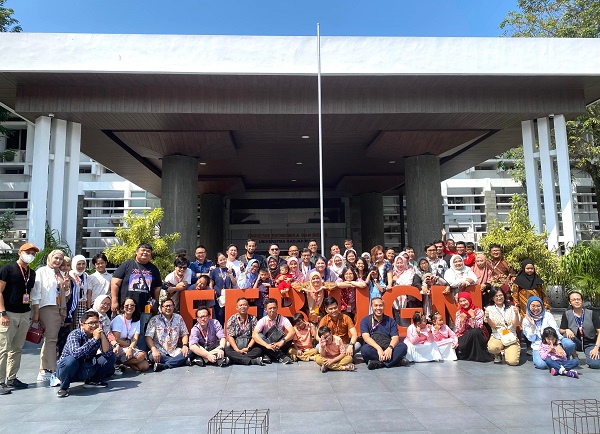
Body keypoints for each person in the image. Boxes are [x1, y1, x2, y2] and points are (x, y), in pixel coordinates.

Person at [0, 242, 38, 393]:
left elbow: (32, 294)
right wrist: (2, 312)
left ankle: (11, 378)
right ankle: (0, 381)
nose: (31, 255)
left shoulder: (32, 273)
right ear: (20, 253)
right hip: (8, 313)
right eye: (28, 252)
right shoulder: (8, 269)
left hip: (24, 313)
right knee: (3, 348)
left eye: (33, 253)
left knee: (17, 348)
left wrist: (34, 312)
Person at [111, 243, 162, 351]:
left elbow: (157, 288)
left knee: (141, 332)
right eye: (143, 250)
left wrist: (156, 303)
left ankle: (140, 353)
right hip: (126, 307)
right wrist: (114, 300)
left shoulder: (153, 268)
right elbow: (115, 283)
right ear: (136, 251)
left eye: (148, 251)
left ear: (151, 255)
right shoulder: (127, 265)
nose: (145, 253)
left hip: (145, 308)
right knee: (121, 331)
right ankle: (120, 355)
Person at [54, 311, 117, 398]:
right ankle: (64, 388)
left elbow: (108, 353)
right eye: (90, 323)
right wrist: (94, 340)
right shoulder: (75, 334)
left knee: (111, 357)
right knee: (70, 360)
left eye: (96, 322)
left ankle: (94, 381)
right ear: (82, 324)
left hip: (86, 367)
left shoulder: (98, 334)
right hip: (69, 369)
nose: (94, 326)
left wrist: (102, 336)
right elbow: (75, 354)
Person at [31, 249, 70, 382]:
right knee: (52, 340)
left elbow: (65, 295)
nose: (58, 261)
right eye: (56, 258)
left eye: (60, 259)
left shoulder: (60, 273)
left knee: (50, 339)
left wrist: (66, 286)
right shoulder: (42, 271)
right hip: (47, 307)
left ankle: (43, 370)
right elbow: (36, 293)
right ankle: (54, 371)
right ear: (50, 258)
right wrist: (36, 312)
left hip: (58, 308)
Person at [522, 296, 576, 369]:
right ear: (528, 306)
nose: (536, 308)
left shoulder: (547, 315)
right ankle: (561, 364)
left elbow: (555, 330)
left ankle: (562, 357)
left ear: (542, 306)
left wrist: (558, 345)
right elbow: (531, 339)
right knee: (541, 365)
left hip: (554, 340)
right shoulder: (526, 320)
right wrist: (532, 326)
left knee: (570, 344)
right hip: (539, 346)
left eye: (538, 306)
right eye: (533, 306)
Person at [360, 297, 409, 370]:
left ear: (384, 306)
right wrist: (378, 348)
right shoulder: (365, 320)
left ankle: (379, 364)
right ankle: (395, 362)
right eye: (376, 305)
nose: (378, 308)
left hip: (388, 347)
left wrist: (390, 348)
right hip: (374, 348)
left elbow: (395, 337)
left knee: (403, 347)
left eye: (381, 305)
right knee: (365, 350)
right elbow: (366, 337)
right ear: (372, 307)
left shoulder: (390, 321)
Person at [145, 299, 189, 371]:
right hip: (159, 351)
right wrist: (153, 349)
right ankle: (181, 361)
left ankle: (165, 365)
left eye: (170, 306)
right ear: (161, 308)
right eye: (166, 306)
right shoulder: (154, 320)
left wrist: (184, 346)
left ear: (174, 307)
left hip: (175, 351)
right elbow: (148, 337)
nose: (168, 308)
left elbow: (184, 334)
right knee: (151, 357)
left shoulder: (178, 318)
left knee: (190, 351)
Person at [560, 290, 600, 369]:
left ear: (582, 301)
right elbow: (561, 330)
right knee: (565, 336)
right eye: (574, 300)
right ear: (570, 302)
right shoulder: (567, 314)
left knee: (596, 364)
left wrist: (596, 348)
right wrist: (567, 330)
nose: (577, 301)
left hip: (590, 343)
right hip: (575, 341)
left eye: (578, 299)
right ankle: (575, 356)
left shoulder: (592, 313)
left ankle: (594, 354)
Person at [252, 298, 295, 364]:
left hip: (279, 344)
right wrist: (267, 345)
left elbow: (292, 331)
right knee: (259, 336)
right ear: (265, 310)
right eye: (270, 308)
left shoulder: (283, 319)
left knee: (289, 337)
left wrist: (282, 342)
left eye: (274, 308)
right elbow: (254, 334)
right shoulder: (263, 320)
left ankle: (268, 355)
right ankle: (281, 356)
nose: (272, 310)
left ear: (277, 308)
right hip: (267, 343)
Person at [111, 298, 149, 372]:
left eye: (132, 305)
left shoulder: (137, 320)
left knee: (144, 366)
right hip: (118, 345)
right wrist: (130, 346)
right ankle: (118, 362)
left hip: (129, 345)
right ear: (123, 307)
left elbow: (135, 338)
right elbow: (117, 339)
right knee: (141, 355)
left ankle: (120, 363)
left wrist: (131, 348)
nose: (129, 307)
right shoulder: (118, 319)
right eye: (127, 305)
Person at [484, 287, 521, 365]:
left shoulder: (512, 308)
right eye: (496, 296)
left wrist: (517, 314)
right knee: (492, 348)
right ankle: (497, 354)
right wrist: (487, 317)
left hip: (510, 335)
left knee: (513, 362)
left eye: (501, 295)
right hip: (498, 335)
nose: (499, 298)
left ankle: (509, 350)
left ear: (504, 296)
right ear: (492, 298)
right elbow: (493, 326)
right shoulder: (489, 309)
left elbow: (516, 324)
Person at [454, 292, 493, 362]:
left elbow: (478, 327)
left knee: (475, 332)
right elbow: (459, 330)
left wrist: (472, 317)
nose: (463, 303)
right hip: (464, 336)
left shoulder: (478, 311)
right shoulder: (459, 313)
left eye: (465, 300)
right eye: (461, 301)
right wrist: (462, 321)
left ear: (469, 300)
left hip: (478, 336)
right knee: (461, 346)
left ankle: (480, 356)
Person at [224, 297, 264, 365]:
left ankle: (234, 359)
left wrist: (248, 348)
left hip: (249, 346)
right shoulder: (232, 319)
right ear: (236, 307)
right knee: (227, 350)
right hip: (236, 347)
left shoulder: (253, 319)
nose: (243, 307)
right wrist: (237, 350)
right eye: (241, 305)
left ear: (248, 307)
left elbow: (255, 336)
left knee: (259, 350)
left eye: (245, 305)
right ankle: (252, 361)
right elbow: (230, 336)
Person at [209, 252, 237, 325]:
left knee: (229, 315)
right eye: (221, 260)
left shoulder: (231, 270)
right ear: (217, 262)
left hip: (229, 296)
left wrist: (230, 274)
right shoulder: (214, 271)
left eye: (224, 259)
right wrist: (212, 293)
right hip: (218, 297)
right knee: (219, 315)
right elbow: (211, 283)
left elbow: (234, 283)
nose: (223, 261)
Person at [68, 255, 89, 327]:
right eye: (79, 264)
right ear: (74, 264)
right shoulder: (70, 275)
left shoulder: (85, 275)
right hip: (73, 304)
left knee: (83, 325)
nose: (81, 266)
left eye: (83, 264)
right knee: (73, 325)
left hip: (83, 305)